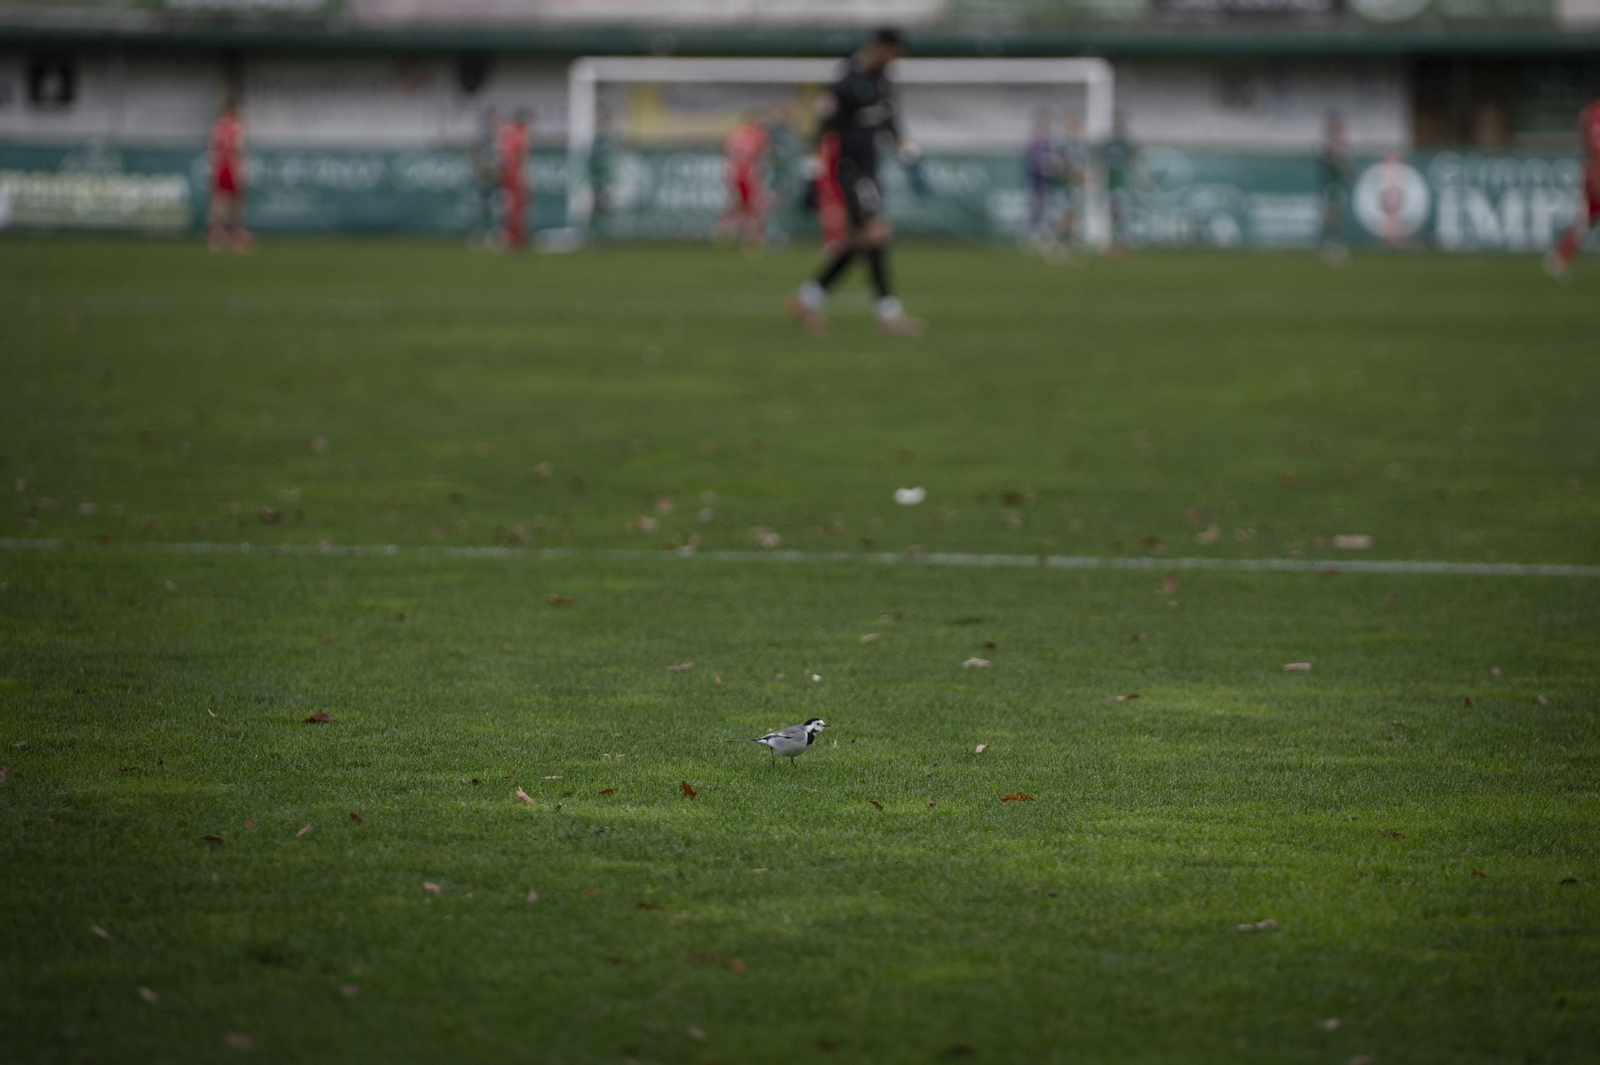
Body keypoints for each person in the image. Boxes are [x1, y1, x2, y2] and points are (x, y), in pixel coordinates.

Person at [786, 27, 922, 335]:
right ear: (879, 48)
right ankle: (888, 314)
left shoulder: (885, 82)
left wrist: (911, 158)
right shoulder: (846, 82)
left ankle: (807, 299)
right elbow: (822, 130)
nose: (894, 61)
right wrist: (812, 175)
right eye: (892, 54)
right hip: (850, 168)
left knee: (864, 240)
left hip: (871, 168)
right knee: (877, 232)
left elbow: (891, 124)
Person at [1544, 95, 1600, 279]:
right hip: (1594, 173)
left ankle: (1559, 257)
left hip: (1591, 171)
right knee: (1585, 221)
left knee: (1585, 221)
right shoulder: (1594, 115)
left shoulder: (1588, 113)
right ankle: (1559, 257)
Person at [715, 112, 769, 249]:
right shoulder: (754, 135)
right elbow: (758, 155)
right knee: (751, 206)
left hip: (733, 173)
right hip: (745, 174)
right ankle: (750, 238)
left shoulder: (734, 134)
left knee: (740, 205)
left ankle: (726, 231)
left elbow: (725, 150)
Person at [207, 96, 250, 253]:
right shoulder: (236, 126)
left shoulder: (217, 126)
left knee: (219, 202)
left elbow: (212, 149)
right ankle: (237, 238)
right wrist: (239, 172)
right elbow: (238, 149)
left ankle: (217, 238)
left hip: (219, 166)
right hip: (232, 166)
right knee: (236, 204)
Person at [1101, 113, 1143, 255]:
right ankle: (1114, 242)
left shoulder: (1125, 144)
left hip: (1123, 184)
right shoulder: (1107, 145)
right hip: (1109, 184)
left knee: (1123, 215)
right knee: (1113, 215)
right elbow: (1101, 164)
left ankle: (1123, 242)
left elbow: (1135, 161)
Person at [1319, 110, 1352, 264]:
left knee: (1336, 215)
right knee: (1332, 215)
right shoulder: (1330, 145)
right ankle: (1330, 244)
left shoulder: (1339, 145)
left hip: (1337, 185)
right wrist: (1350, 173)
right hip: (1331, 185)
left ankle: (1333, 242)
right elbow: (1336, 162)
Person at [1024, 110, 1061, 249]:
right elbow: (1031, 160)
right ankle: (1033, 235)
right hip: (1036, 181)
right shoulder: (1034, 142)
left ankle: (1047, 235)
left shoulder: (1052, 143)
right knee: (1036, 208)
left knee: (1050, 209)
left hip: (1050, 182)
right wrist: (1046, 163)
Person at [497, 108, 531, 250]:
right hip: (513, 173)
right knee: (514, 206)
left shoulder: (516, 133)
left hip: (513, 172)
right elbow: (511, 156)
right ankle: (512, 236)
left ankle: (516, 236)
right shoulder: (515, 133)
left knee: (517, 206)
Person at [470, 106, 500, 247]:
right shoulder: (481, 137)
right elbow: (475, 155)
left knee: (495, 207)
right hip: (483, 178)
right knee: (482, 207)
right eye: (491, 118)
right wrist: (483, 168)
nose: (494, 121)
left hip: (494, 178)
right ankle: (480, 234)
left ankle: (492, 235)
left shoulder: (498, 137)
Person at [587, 105, 617, 239]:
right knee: (598, 202)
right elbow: (594, 158)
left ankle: (603, 231)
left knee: (605, 202)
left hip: (605, 175)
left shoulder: (608, 137)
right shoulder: (599, 138)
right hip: (599, 176)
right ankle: (594, 230)